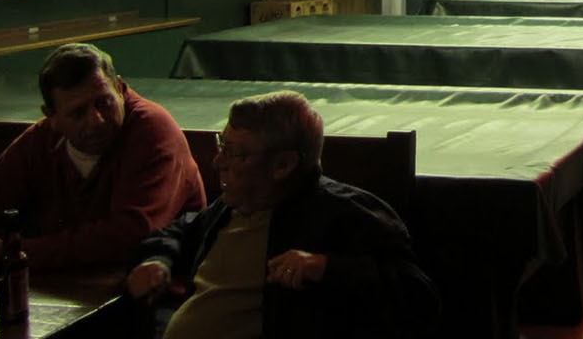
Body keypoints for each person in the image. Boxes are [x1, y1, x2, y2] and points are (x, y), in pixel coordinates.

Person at [127, 90, 438, 339]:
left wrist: (324, 267)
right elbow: (179, 232)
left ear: (283, 166)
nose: (218, 162)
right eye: (222, 145)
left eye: (236, 152)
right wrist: (158, 260)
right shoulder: (230, 207)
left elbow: (416, 295)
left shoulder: (344, 214)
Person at [0, 42, 205, 293]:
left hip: (156, 296)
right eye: (78, 112)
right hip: (70, 295)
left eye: (104, 102)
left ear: (120, 88)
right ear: (52, 117)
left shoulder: (151, 128)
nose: (96, 119)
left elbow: (131, 233)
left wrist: (11, 252)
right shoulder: (42, 140)